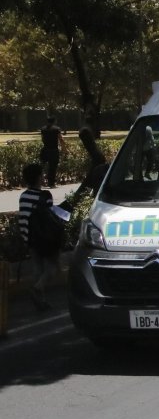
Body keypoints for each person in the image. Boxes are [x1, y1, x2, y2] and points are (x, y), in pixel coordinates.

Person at [18, 163, 67, 310]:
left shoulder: (23, 196)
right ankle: (38, 288)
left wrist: (25, 239)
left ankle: (41, 301)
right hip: (46, 240)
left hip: (31, 240)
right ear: (39, 177)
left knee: (37, 270)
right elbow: (51, 219)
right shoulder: (45, 196)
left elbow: (23, 219)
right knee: (53, 268)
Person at [79, 118, 109, 194]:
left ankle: (83, 191)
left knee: (92, 176)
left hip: (96, 156)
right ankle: (85, 191)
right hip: (97, 157)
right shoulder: (86, 130)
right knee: (93, 177)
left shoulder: (84, 130)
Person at [39, 115, 66, 188]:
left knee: (42, 166)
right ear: (54, 121)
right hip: (54, 150)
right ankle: (51, 183)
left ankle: (40, 182)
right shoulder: (57, 129)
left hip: (45, 149)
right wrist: (64, 149)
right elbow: (61, 139)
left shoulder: (43, 129)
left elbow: (42, 138)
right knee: (53, 167)